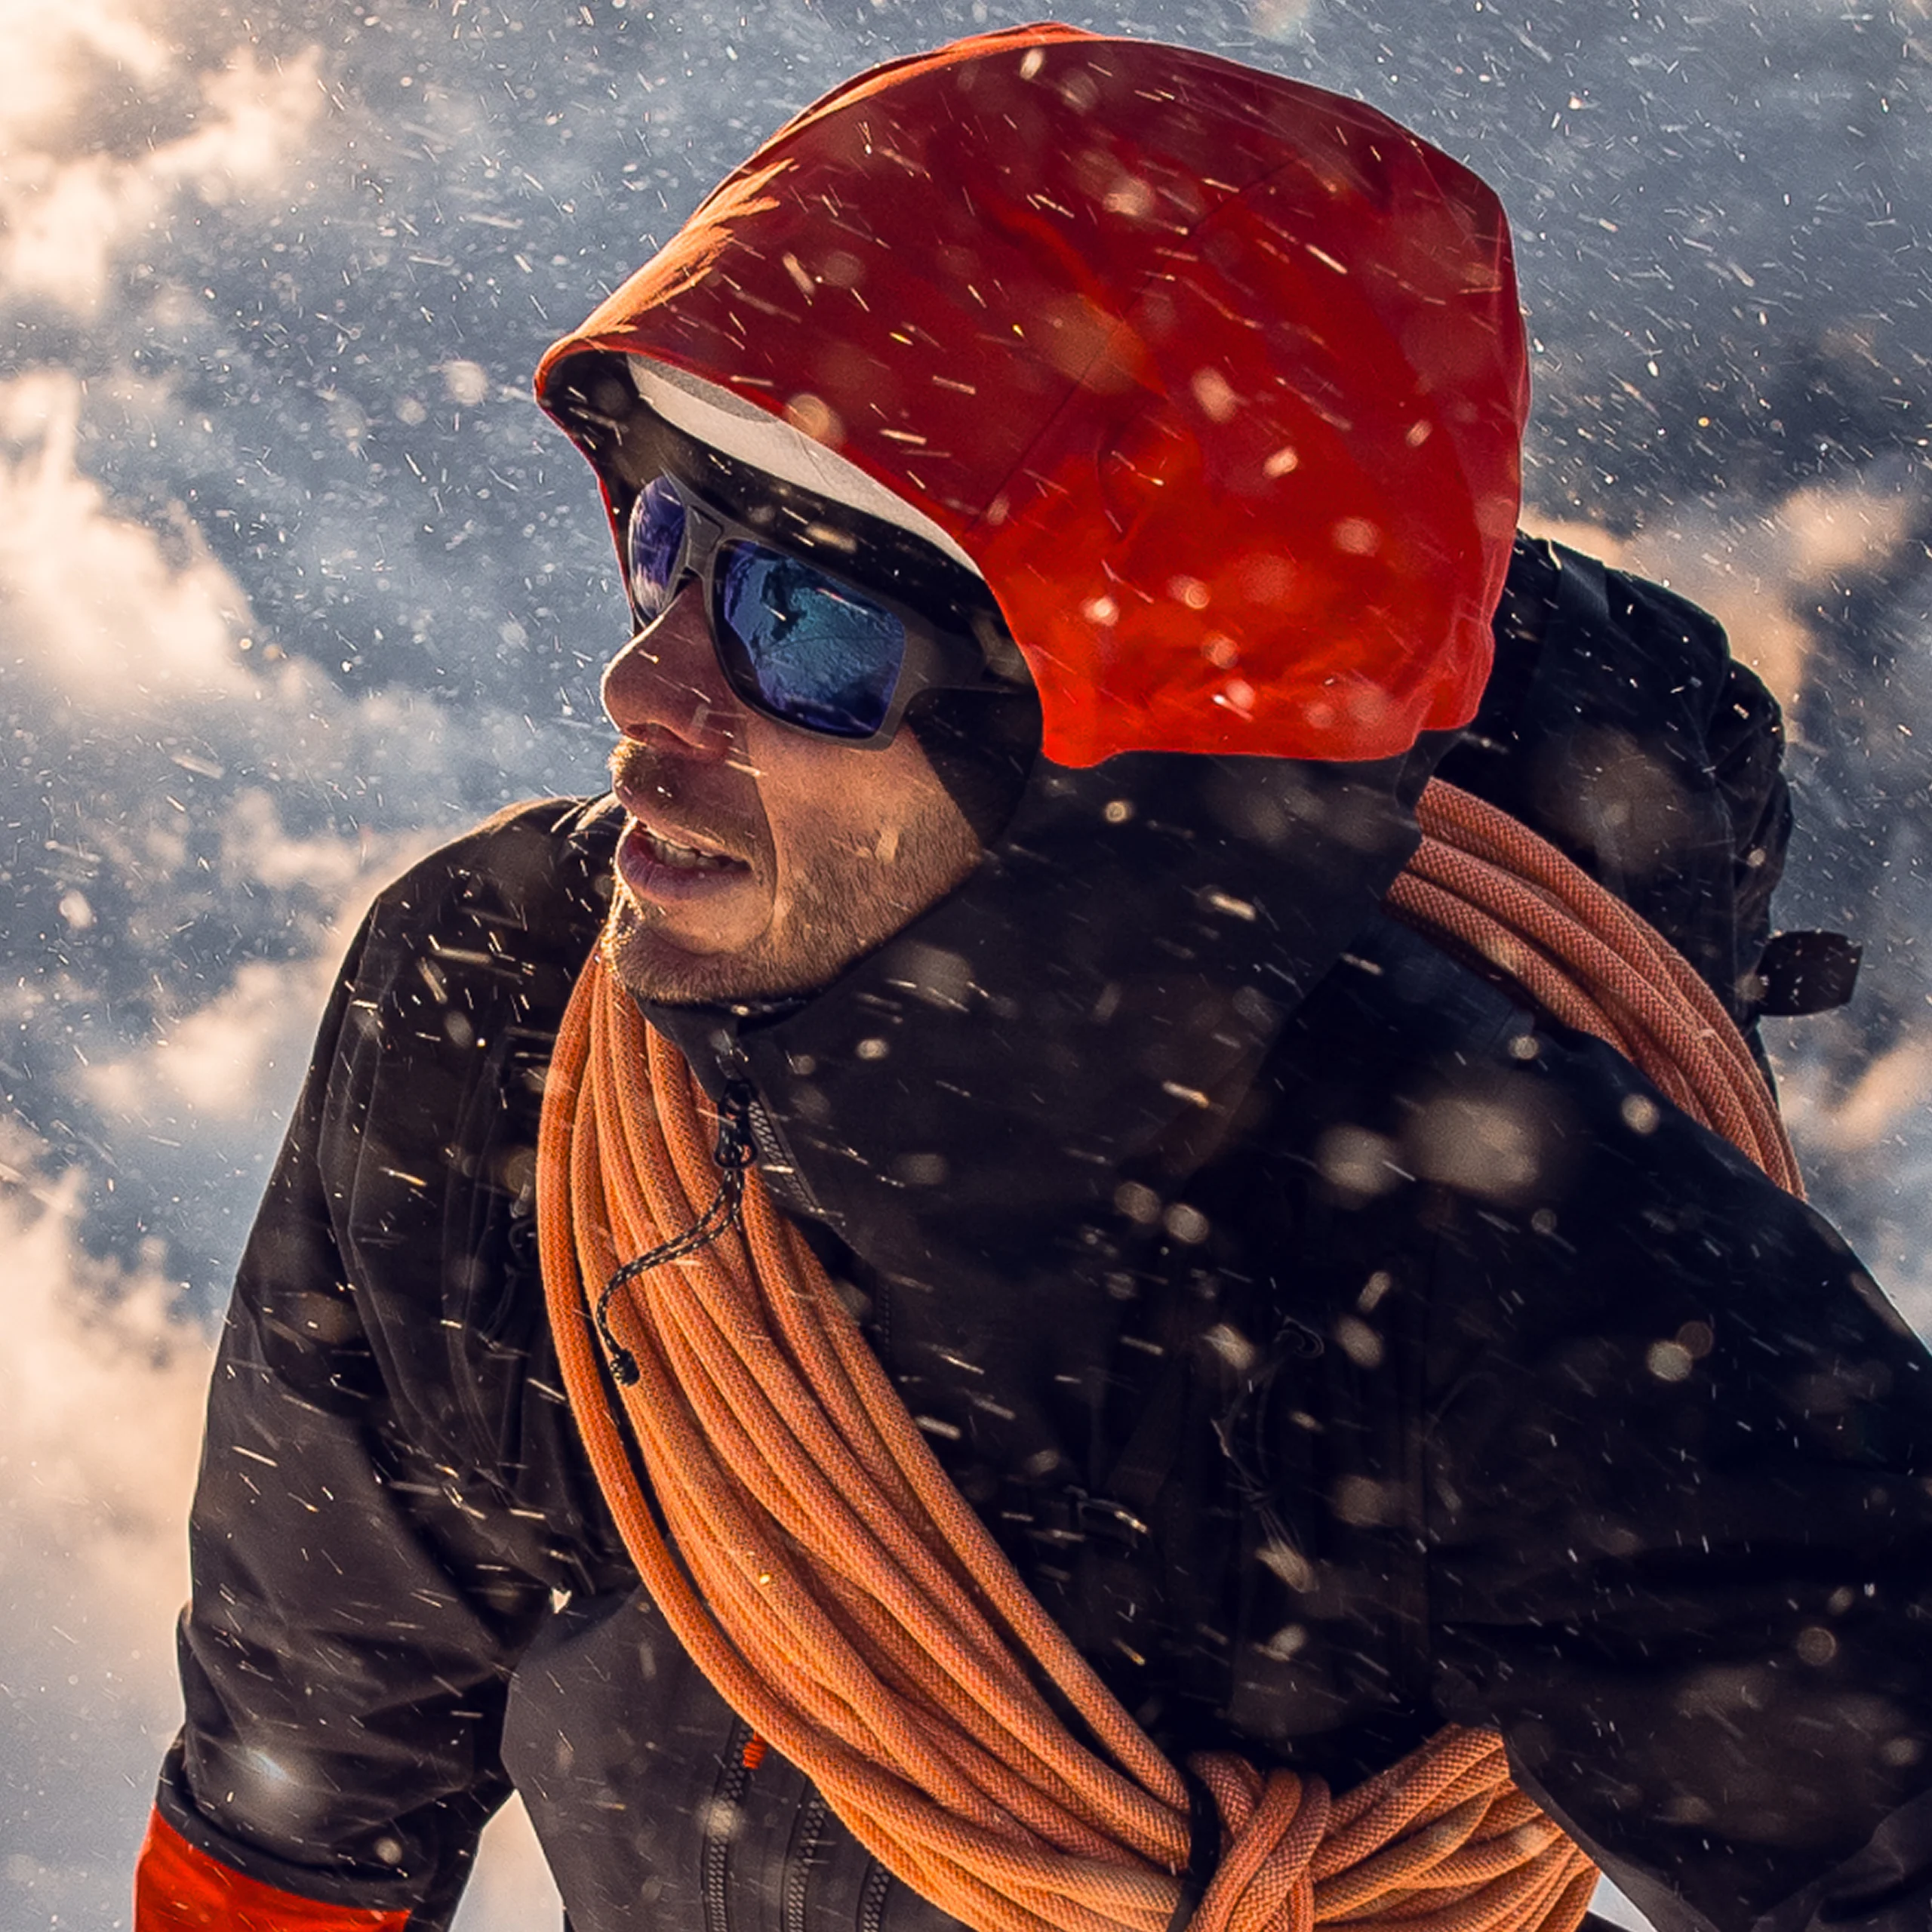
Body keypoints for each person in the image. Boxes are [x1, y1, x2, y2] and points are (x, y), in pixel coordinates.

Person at [134, 23, 1932, 1932]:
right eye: (664, 544)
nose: (640, 690)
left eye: (800, 619)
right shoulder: (493, 1015)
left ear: (1100, 744)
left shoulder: (1506, 1249)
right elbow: (300, 1781)